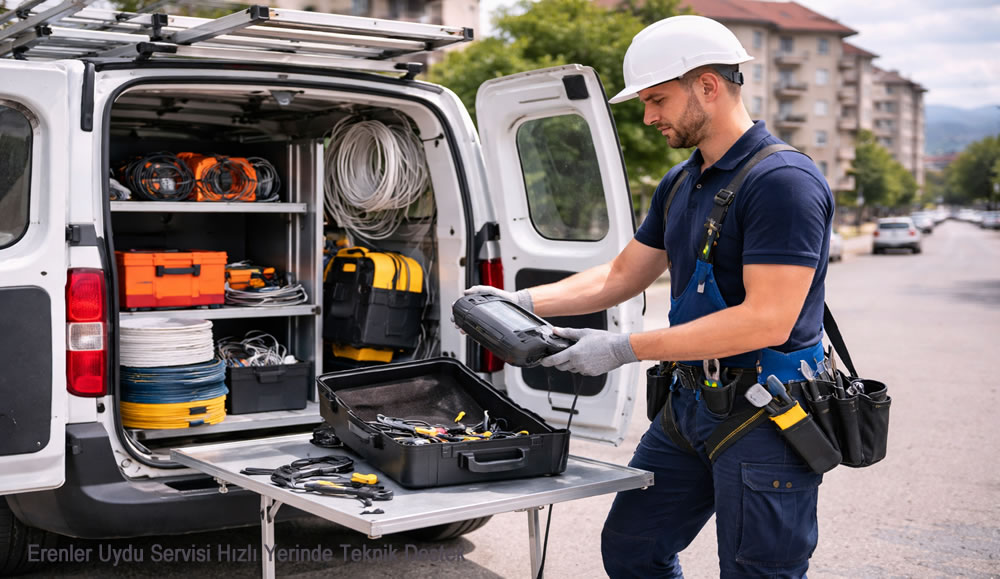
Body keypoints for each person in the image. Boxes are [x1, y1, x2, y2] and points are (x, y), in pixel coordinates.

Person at [465, 14, 835, 579]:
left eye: (658, 99)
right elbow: (620, 277)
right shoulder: (683, 181)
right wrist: (522, 304)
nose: (648, 117)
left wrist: (622, 348)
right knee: (634, 550)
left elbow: (767, 320)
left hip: (766, 413)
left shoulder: (783, 182)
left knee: (758, 571)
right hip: (688, 406)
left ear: (707, 86)